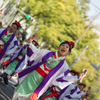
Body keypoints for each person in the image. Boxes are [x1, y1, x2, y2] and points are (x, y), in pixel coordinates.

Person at [12, 40, 80, 100]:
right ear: (59, 47)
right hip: (32, 77)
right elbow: (36, 52)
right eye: (63, 45)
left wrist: (77, 77)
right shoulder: (47, 53)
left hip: (41, 84)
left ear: (68, 51)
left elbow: (66, 78)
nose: (64, 47)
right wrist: (30, 43)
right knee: (18, 93)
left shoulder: (64, 66)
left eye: (67, 47)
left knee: (29, 97)